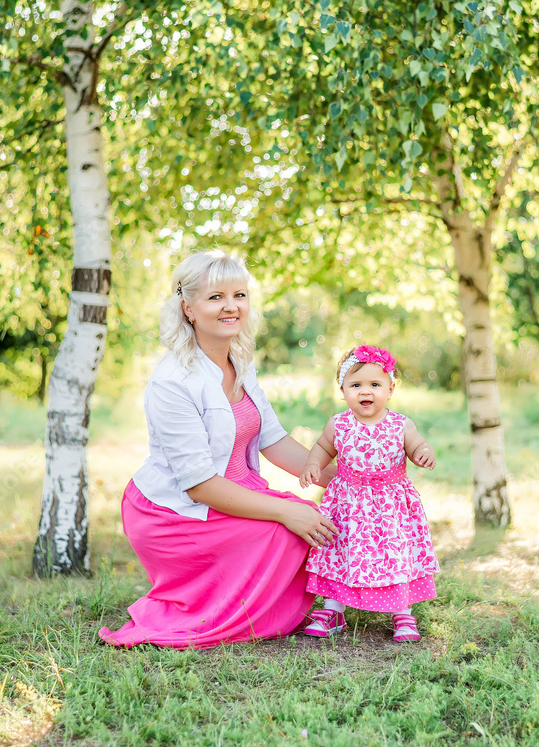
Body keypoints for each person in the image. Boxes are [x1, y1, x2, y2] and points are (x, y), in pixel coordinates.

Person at [98, 250, 338, 650]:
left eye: (239, 295)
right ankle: (223, 612)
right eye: (216, 297)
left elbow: (272, 439)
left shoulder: (240, 362)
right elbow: (200, 486)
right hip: (173, 514)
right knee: (288, 531)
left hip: (233, 493)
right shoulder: (172, 382)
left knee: (313, 520)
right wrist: (287, 509)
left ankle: (257, 605)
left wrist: (344, 477)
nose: (231, 307)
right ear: (188, 308)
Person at [298, 344, 439, 643]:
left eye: (375, 384)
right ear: (343, 390)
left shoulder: (401, 424)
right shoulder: (339, 424)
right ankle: (333, 609)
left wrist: (423, 453)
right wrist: (313, 464)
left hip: (390, 506)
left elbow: (416, 445)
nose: (366, 391)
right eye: (356, 385)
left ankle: (402, 610)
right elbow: (324, 448)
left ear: (390, 388)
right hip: (347, 504)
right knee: (338, 550)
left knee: (394, 554)